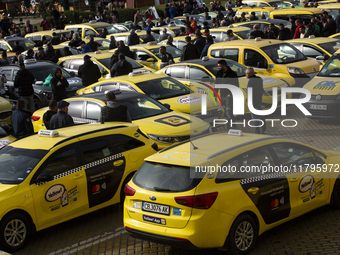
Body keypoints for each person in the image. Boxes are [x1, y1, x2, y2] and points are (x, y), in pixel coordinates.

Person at [215, 59, 239, 129]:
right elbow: (216, 84)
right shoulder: (218, 73)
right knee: (226, 112)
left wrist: (230, 94)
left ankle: (231, 127)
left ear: (224, 66)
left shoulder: (232, 74)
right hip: (222, 95)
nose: (218, 68)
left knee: (229, 112)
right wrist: (215, 94)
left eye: (219, 66)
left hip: (229, 96)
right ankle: (231, 125)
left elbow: (236, 85)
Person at [246, 67, 266, 134]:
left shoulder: (251, 81)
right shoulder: (259, 79)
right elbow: (261, 89)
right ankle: (263, 129)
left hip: (253, 101)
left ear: (251, 74)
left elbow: (249, 91)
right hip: (259, 100)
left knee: (255, 116)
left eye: (247, 73)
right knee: (261, 115)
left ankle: (257, 131)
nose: (246, 75)